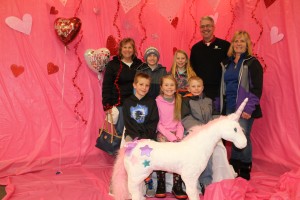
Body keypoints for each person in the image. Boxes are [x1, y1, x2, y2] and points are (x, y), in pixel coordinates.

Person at [219, 30, 263, 180]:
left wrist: (249, 108)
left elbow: (257, 88)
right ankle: (234, 164)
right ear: (232, 44)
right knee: (233, 135)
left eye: (242, 41)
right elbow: (223, 86)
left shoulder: (252, 63)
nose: (238, 44)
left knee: (243, 135)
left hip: (244, 107)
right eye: (236, 41)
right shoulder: (227, 63)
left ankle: (245, 167)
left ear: (247, 44)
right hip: (229, 106)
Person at [122, 73, 159, 197]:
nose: (144, 87)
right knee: (128, 154)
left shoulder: (151, 102)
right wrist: (136, 137)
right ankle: (129, 181)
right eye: (141, 84)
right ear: (134, 85)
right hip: (132, 134)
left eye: (147, 85)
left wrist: (145, 136)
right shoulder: (127, 102)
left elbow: (154, 121)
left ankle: (149, 181)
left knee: (147, 156)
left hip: (147, 135)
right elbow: (128, 122)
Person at [155, 75, 188, 199]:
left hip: (177, 133)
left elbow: (180, 122)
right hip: (163, 133)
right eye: (166, 85)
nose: (169, 87)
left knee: (180, 154)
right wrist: (170, 136)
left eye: (172, 85)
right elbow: (157, 123)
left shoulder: (179, 99)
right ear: (161, 87)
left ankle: (177, 185)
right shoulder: (157, 101)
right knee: (161, 154)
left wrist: (178, 135)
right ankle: (161, 183)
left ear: (176, 87)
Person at [102, 37, 142, 136]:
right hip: (120, 104)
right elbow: (107, 85)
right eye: (125, 47)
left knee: (135, 132)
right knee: (120, 133)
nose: (127, 50)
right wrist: (107, 105)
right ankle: (120, 151)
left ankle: (132, 151)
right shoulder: (113, 64)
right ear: (120, 49)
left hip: (136, 103)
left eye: (130, 47)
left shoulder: (140, 65)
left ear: (134, 50)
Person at [181, 76, 213, 194]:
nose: (196, 89)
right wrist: (200, 129)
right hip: (193, 132)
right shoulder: (186, 100)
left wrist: (210, 128)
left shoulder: (209, 100)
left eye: (199, 86)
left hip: (208, 133)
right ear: (188, 88)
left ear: (203, 87)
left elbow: (215, 115)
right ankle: (189, 181)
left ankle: (206, 181)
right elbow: (185, 118)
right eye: (193, 86)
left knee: (207, 155)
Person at [190, 16, 230, 103]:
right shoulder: (195, 48)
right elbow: (192, 69)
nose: (205, 29)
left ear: (213, 27)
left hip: (220, 91)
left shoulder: (225, 46)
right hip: (200, 91)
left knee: (218, 116)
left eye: (208, 26)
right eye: (202, 26)